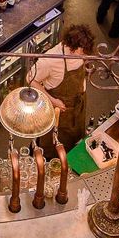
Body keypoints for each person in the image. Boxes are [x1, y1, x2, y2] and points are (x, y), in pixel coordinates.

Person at [30, 25, 94, 155]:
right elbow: (31, 79)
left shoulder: (80, 54)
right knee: (53, 148)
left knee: (73, 143)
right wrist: (53, 101)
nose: (84, 55)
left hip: (77, 107)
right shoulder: (50, 60)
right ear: (71, 48)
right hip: (59, 113)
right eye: (82, 52)